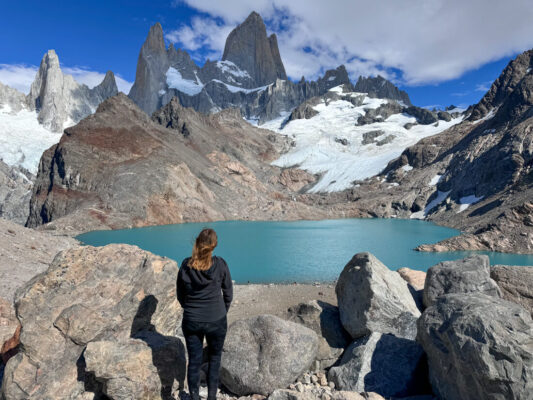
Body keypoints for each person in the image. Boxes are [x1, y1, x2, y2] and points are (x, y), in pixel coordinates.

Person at [177, 228, 233, 400]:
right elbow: (228, 294)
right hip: (216, 320)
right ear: (214, 245)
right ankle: (211, 397)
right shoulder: (221, 264)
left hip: (192, 320)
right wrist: (220, 311)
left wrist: (192, 309)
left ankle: (194, 397)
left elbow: (181, 296)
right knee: (215, 359)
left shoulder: (186, 266)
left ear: (197, 242)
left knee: (194, 360)